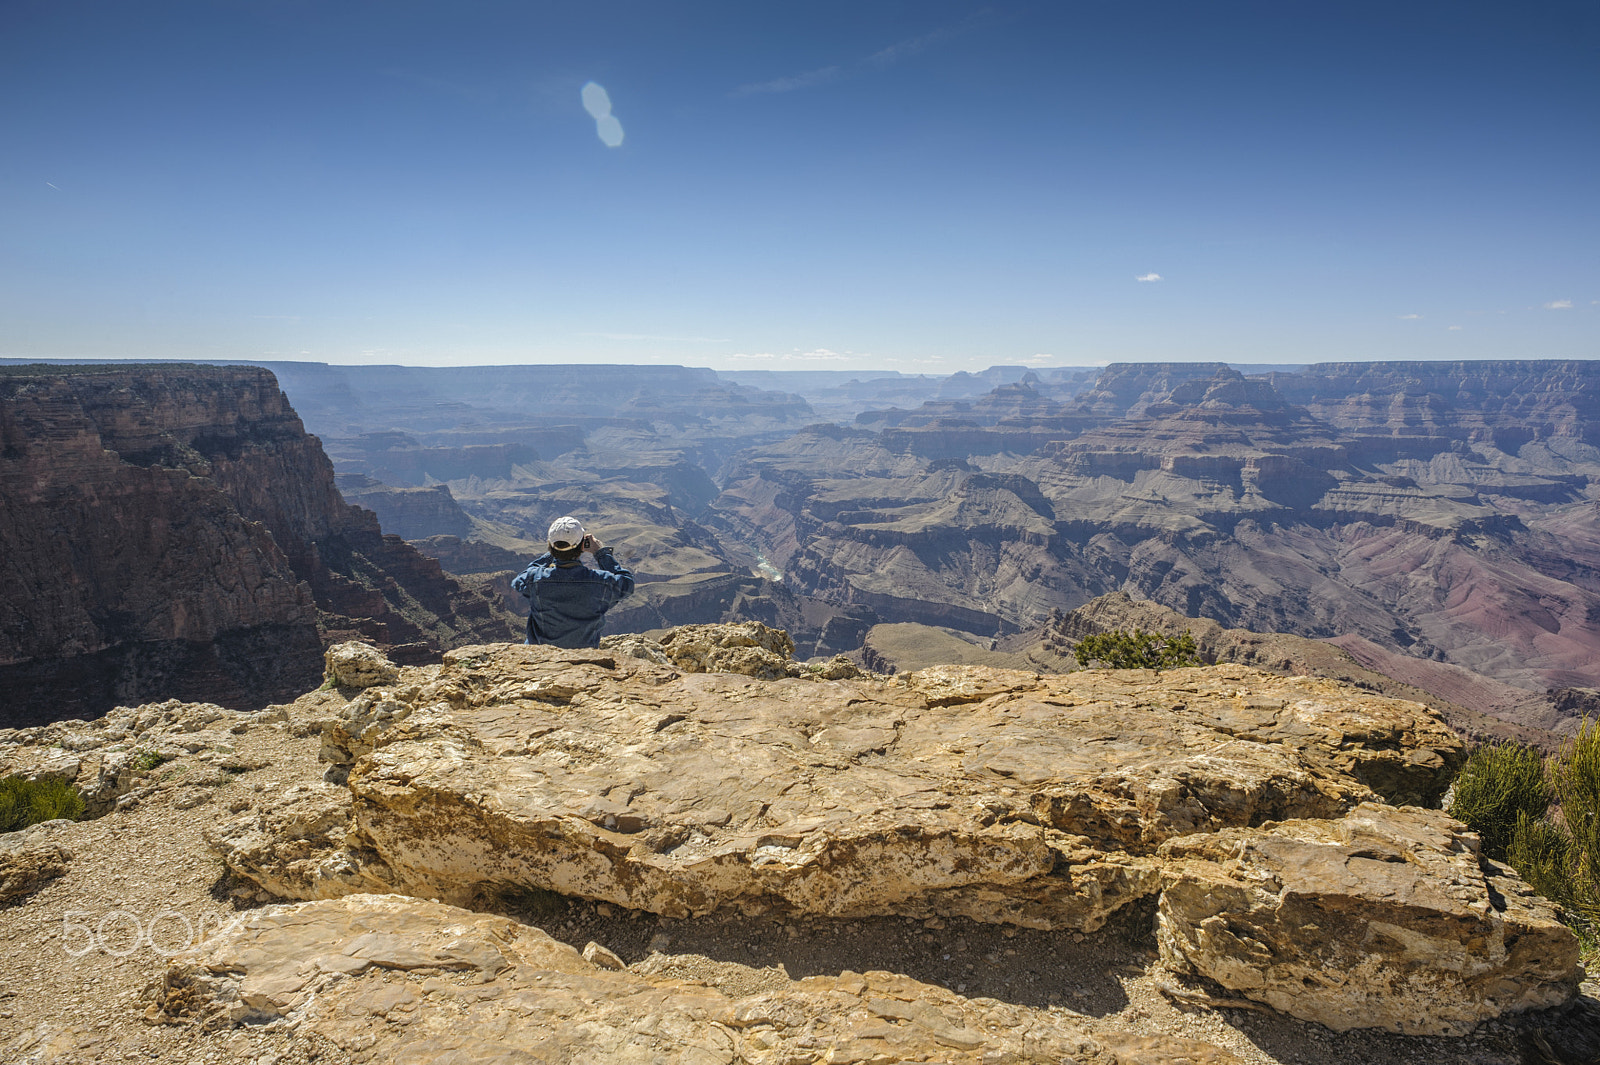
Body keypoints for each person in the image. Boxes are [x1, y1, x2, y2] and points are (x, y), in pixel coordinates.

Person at [511, 516, 635, 648]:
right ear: (583, 545)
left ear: (550, 545)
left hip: (540, 655)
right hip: (584, 657)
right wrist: (601, 553)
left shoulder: (535, 579)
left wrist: (554, 552)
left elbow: (519, 581)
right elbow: (627, 584)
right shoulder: (600, 582)